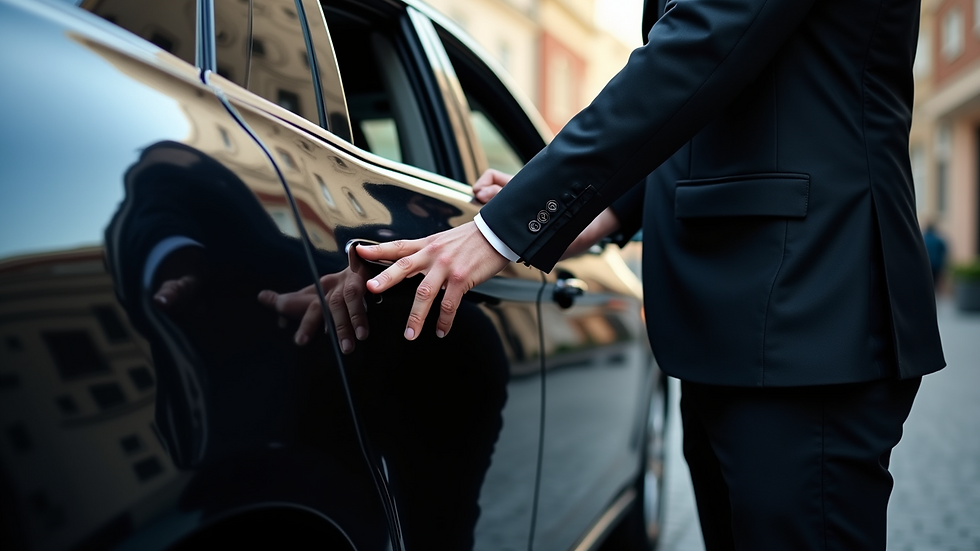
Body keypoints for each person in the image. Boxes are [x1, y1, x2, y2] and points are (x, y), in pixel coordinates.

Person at [355, 0, 947, 549]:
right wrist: (597, 214)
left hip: (807, 310)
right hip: (740, 319)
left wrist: (500, 229)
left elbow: (696, 52)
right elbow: (705, 106)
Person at [922, 223, 948, 290]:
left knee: (927, 283)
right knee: (935, 282)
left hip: (926, 265)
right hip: (937, 264)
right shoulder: (938, 239)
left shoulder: (924, 239)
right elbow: (944, 250)